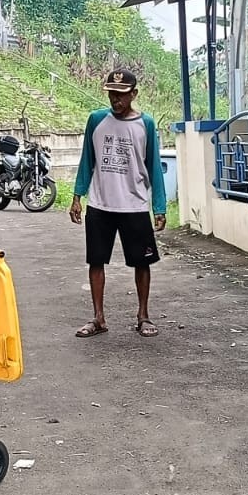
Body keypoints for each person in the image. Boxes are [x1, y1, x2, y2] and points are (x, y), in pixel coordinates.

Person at [70, 69, 167, 338]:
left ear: (134, 94)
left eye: (122, 95)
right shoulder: (97, 120)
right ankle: (98, 318)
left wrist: (159, 207)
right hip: (100, 204)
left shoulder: (145, 124)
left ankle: (143, 316)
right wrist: (77, 196)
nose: (116, 100)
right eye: (112, 94)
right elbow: (87, 160)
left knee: (141, 262)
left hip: (134, 205)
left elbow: (154, 167)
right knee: (96, 261)